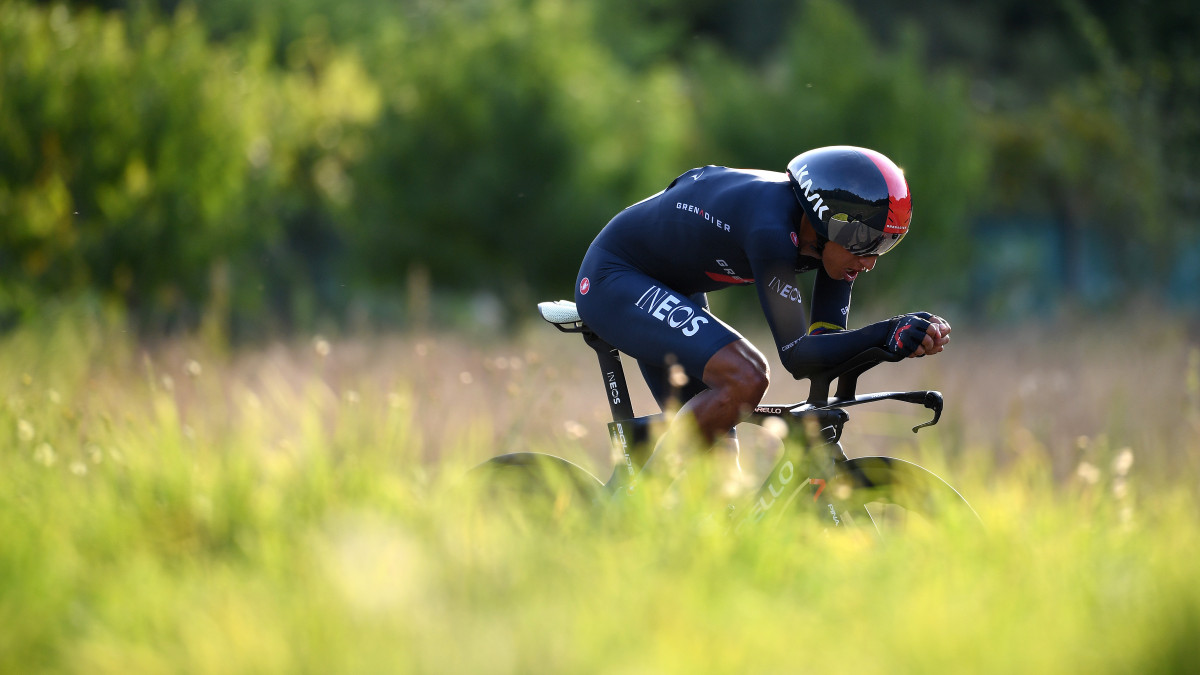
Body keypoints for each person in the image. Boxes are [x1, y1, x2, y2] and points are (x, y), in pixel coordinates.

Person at [574, 145, 951, 497]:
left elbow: (825, 347)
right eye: (867, 242)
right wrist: (886, 332)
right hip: (614, 277)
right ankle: (637, 505)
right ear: (826, 222)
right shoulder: (769, 228)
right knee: (746, 376)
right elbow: (798, 356)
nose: (871, 260)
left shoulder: (831, 247)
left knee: (720, 482)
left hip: (671, 286)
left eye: (885, 244)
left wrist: (899, 340)